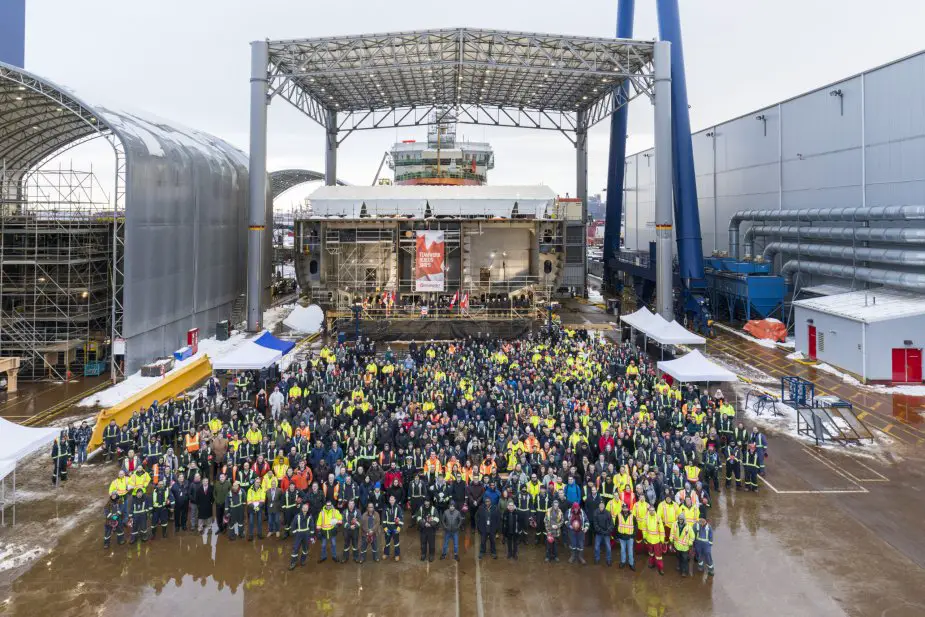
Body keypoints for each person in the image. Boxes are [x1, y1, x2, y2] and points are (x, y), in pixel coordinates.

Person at [288, 502, 314, 570]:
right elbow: (293, 525)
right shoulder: (297, 516)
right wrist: (295, 533)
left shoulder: (310, 517)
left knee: (305, 549)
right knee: (295, 549)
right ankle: (293, 563)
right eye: (304, 508)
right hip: (298, 534)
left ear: (308, 509)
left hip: (306, 534)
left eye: (306, 508)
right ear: (302, 509)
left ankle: (302, 561)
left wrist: (311, 537)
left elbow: (312, 527)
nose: (305, 509)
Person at [670, 512, 695, 577]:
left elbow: (692, 536)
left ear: (684, 519)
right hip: (677, 546)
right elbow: (672, 533)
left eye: (681, 519)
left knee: (685, 559)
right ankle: (679, 566)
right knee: (678, 557)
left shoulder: (688, 527)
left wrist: (690, 543)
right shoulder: (674, 524)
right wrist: (671, 540)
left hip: (684, 547)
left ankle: (684, 572)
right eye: (679, 519)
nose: (680, 520)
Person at [643, 504, 665, 575]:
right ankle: (651, 563)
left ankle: (660, 568)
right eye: (650, 510)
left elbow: (661, 529)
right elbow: (644, 528)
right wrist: (645, 537)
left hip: (657, 540)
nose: (651, 512)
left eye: (653, 510)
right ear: (648, 510)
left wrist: (662, 539)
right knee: (651, 554)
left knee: (658, 556)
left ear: (654, 510)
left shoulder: (658, 518)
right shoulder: (646, 518)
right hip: (649, 540)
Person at [416, 497, 439, 562]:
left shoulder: (434, 509)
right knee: (423, 543)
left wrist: (431, 524)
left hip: (431, 529)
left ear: (430, 502)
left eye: (428, 501)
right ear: (424, 502)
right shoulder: (421, 508)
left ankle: (431, 555)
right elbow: (418, 517)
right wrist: (424, 523)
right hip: (423, 529)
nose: (426, 503)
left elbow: (437, 518)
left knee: (432, 543)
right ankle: (423, 554)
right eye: (425, 501)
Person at [591, 500, 614, 566]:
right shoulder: (596, 512)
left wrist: (607, 531)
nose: (601, 505)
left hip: (606, 533)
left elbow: (611, 524)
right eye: (600, 504)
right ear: (599, 505)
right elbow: (595, 524)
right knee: (596, 547)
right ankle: (597, 559)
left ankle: (608, 560)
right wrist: (601, 531)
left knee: (608, 547)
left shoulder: (608, 513)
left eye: (602, 504)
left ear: (604, 505)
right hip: (599, 533)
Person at [615, 502, 636, 571]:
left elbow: (636, 526)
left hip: (630, 537)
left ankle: (631, 563)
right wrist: (617, 535)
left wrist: (633, 535)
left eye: (626, 508)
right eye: (623, 508)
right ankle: (623, 562)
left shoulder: (632, 516)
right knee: (622, 550)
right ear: (622, 508)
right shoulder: (618, 515)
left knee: (630, 551)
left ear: (628, 508)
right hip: (622, 537)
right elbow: (616, 525)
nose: (625, 509)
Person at [383, 494, 403, 561]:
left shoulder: (398, 508)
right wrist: (385, 528)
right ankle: (386, 553)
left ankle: (397, 555)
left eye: (393, 500)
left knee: (396, 542)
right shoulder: (386, 508)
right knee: (387, 541)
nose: (391, 501)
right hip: (388, 528)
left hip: (395, 528)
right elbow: (384, 519)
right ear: (389, 500)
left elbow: (401, 519)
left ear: (395, 500)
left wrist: (399, 528)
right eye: (390, 500)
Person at [246, 476, 266, 540]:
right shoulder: (250, 490)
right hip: (251, 508)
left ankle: (259, 534)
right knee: (251, 522)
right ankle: (251, 535)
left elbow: (263, 499)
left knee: (259, 521)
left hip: (259, 507)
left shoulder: (262, 489)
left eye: (259, 482)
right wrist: (254, 507)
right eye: (257, 482)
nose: (258, 483)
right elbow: (248, 500)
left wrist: (258, 507)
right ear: (254, 482)